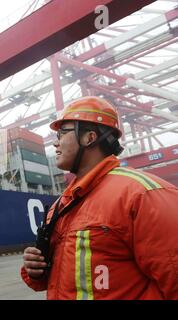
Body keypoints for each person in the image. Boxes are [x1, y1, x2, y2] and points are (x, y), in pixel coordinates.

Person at [21, 96, 178, 300]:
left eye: (62, 133)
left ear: (89, 137)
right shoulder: (62, 204)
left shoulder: (143, 194)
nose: (55, 142)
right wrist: (36, 269)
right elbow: (57, 279)